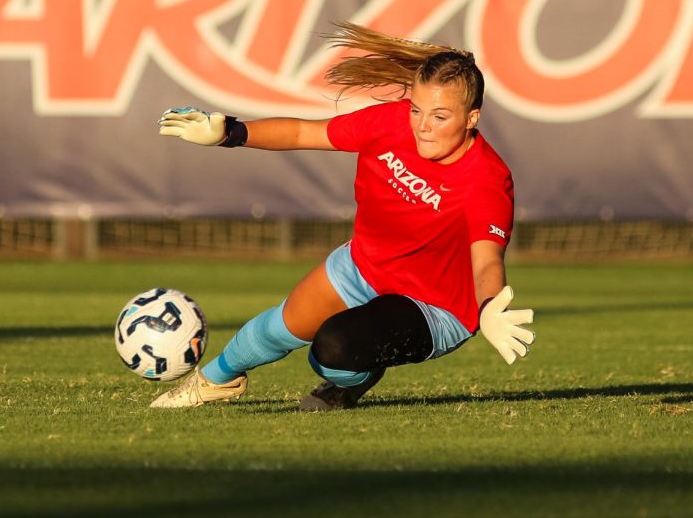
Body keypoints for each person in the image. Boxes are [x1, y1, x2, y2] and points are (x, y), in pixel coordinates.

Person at [150, 23, 535, 410]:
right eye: (417, 110)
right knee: (277, 329)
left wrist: (488, 309)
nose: (422, 126)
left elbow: (486, 261)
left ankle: (358, 377)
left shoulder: (487, 179)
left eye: (440, 116)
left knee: (332, 349)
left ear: (471, 119)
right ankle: (212, 383)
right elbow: (303, 134)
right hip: (363, 266)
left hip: (434, 305)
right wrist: (231, 133)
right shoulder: (389, 123)